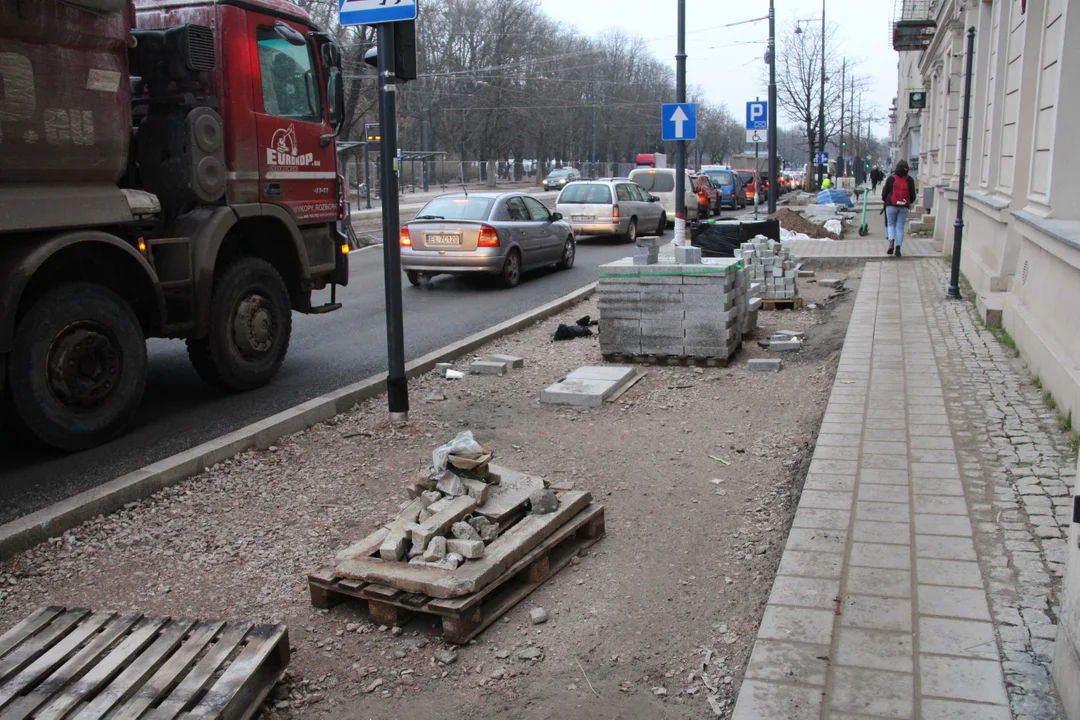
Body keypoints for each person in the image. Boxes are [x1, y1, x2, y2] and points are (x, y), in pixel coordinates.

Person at [881, 159, 917, 257]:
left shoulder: (891, 178)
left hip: (891, 205)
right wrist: (909, 202)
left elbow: (884, 192)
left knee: (891, 224)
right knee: (900, 226)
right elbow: (913, 195)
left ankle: (891, 242)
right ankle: (898, 248)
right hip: (904, 206)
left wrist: (885, 200)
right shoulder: (910, 180)